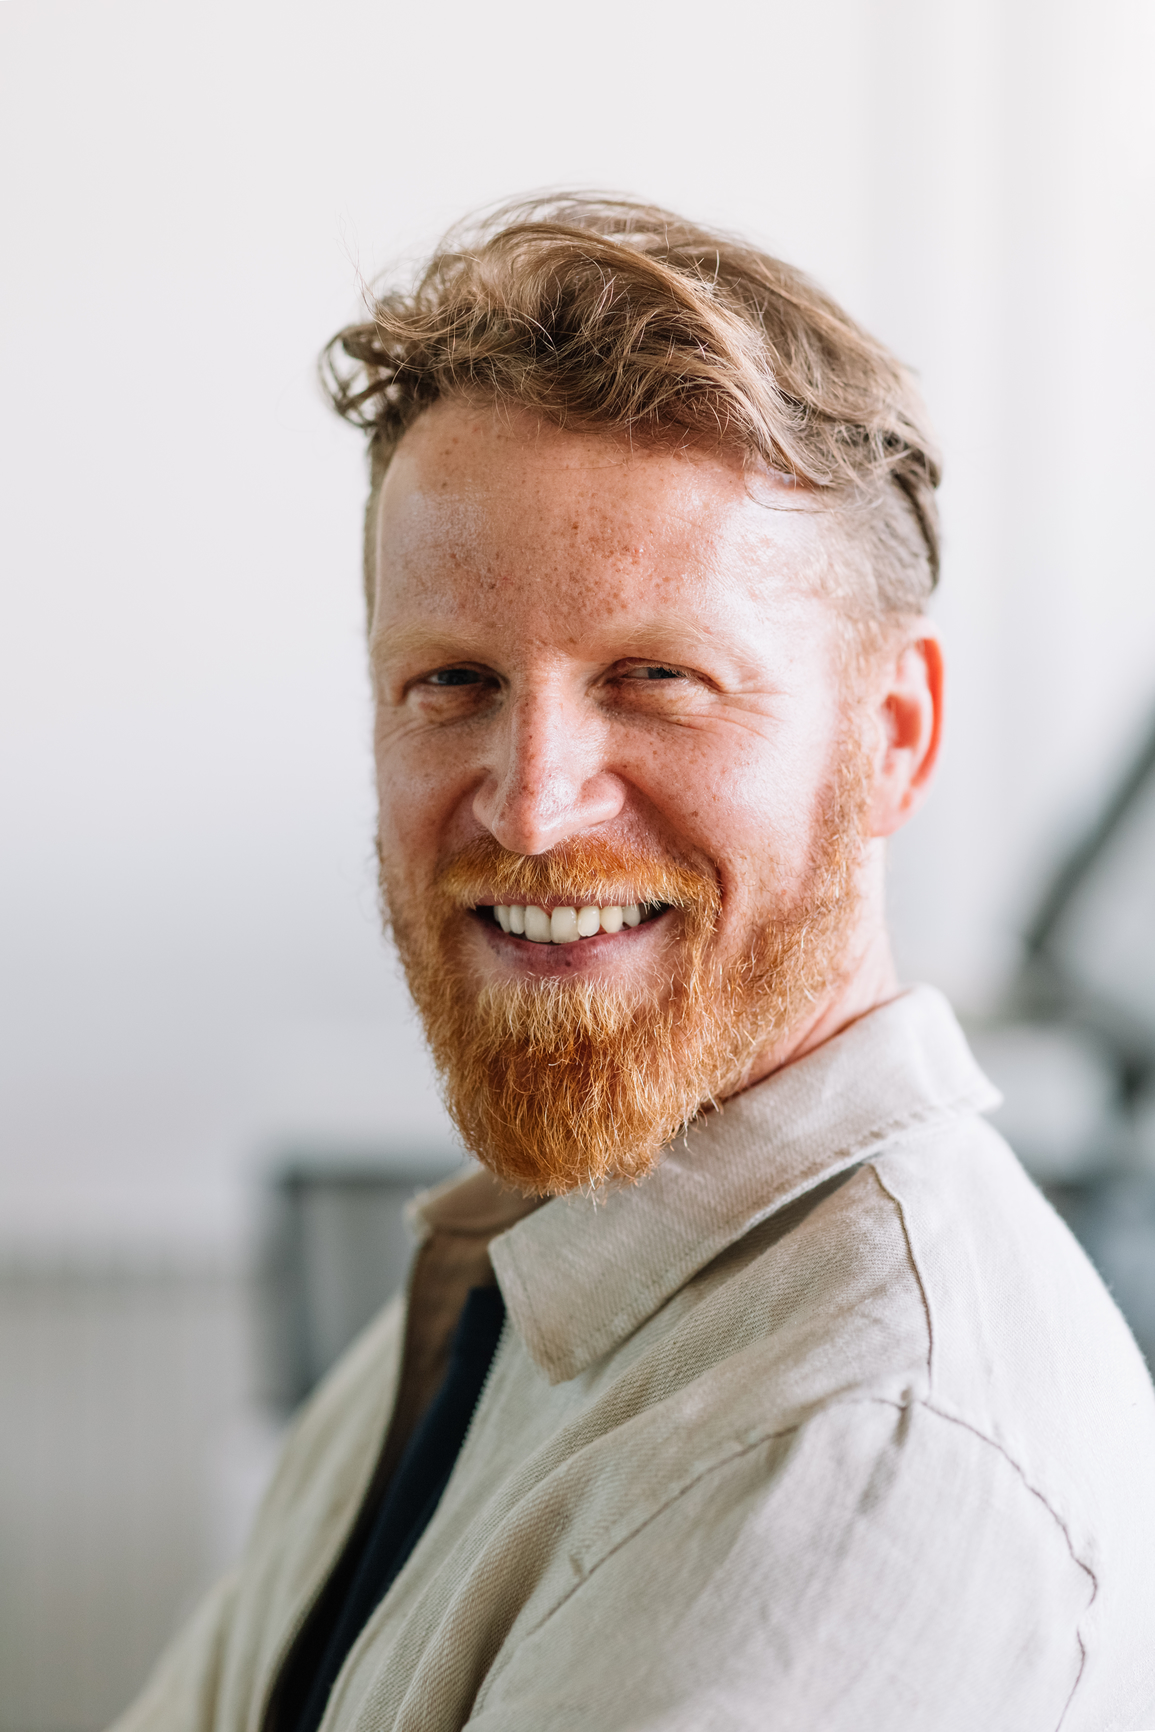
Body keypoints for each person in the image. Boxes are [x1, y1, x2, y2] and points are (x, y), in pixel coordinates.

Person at [113, 197, 1155, 1732]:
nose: (533, 809)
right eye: (451, 682)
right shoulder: (531, 1256)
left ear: (893, 736)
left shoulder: (861, 1468)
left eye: (657, 679)